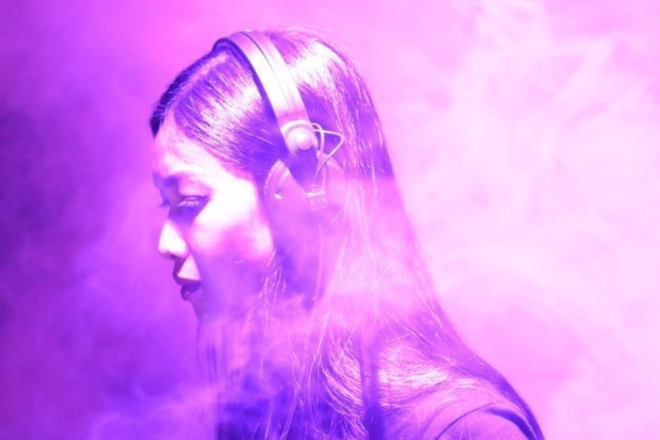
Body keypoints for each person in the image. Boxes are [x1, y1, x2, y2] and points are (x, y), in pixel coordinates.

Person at [150, 29, 544, 440]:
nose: (165, 244)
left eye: (189, 202)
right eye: (167, 205)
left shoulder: (464, 429)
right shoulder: (265, 409)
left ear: (297, 198)